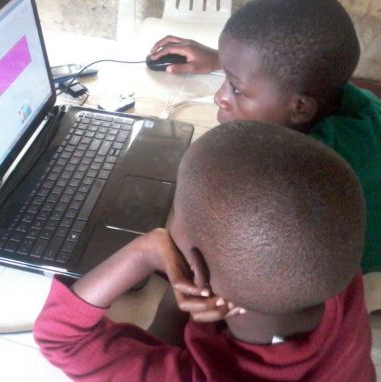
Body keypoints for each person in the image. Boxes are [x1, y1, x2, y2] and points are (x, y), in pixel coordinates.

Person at [34, 120, 374, 381]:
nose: (169, 220)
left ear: (198, 271)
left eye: (176, 211)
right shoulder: (335, 273)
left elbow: (59, 337)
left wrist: (146, 249)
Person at [149, 0, 381, 274]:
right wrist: (227, 61)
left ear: (301, 108)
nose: (219, 97)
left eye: (235, 89)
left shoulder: (304, 174)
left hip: (343, 281)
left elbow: (202, 245)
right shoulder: (348, 99)